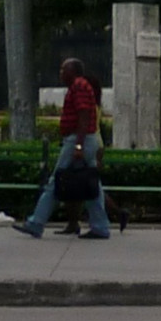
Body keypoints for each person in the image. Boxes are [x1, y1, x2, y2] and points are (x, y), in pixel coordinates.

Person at [14, 57, 111, 239]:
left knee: (56, 180)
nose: (60, 73)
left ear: (73, 71)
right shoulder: (79, 86)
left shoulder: (79, 86)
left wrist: (79, 145)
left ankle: (36, 222)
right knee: (92, 183)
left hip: (78, 139)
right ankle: (100, 226)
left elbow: (83, 116)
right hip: (83, 139)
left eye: (63, 70)